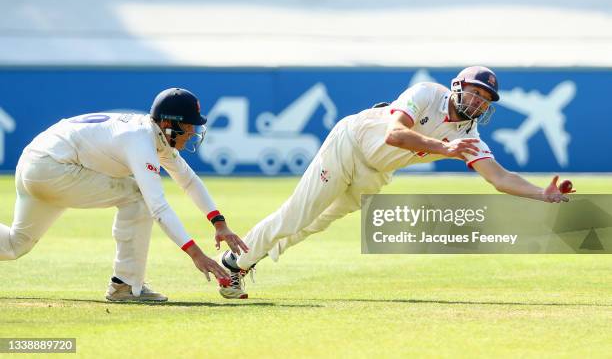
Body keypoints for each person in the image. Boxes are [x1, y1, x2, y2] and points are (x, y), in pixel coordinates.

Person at [217, 66, 572, 299]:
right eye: (475, 92)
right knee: (297, 214)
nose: (478, 102)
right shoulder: (427, 94)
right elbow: (395, 134)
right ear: (457, 87)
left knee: (313, 224)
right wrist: (444, 148)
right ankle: (233, 264)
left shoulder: (469, 136)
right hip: (349, 145)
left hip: (374, 173)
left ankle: (241, 262)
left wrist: (542, 194)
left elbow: (499, 177)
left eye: (486, 99)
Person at [0, 88, 248, 302]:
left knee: (15, 245)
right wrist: (196, 254)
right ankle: (125, 284)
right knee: (137, 195)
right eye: (188, 125)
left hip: (37, 162)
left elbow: (189, 181)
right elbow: (158, 207)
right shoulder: (140, 141)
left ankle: (126, 284)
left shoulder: (153, 136)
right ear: (168, 124)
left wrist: (220, 224)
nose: (192, 131)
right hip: (51, 167)